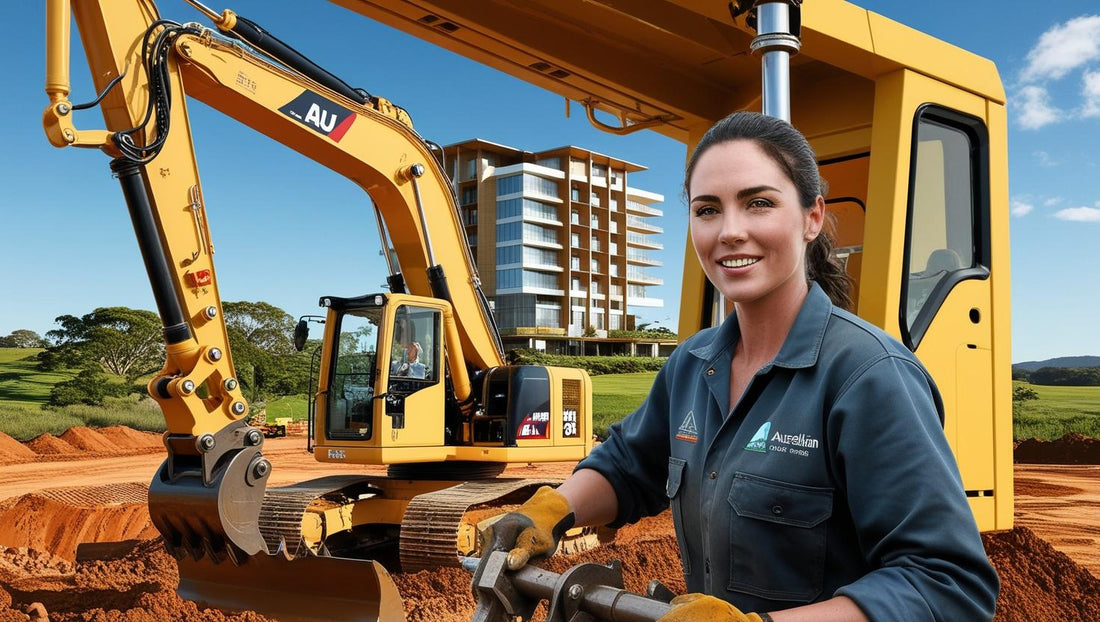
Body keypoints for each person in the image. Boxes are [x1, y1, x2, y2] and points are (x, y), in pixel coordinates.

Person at [474, 112, 999, 621]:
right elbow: (629, 465)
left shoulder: (869, 376)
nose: (729, 231)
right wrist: (550, 510)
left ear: (812, 218)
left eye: (759, 203)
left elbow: (946, 584)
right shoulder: (692, 365)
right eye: (707, 210)